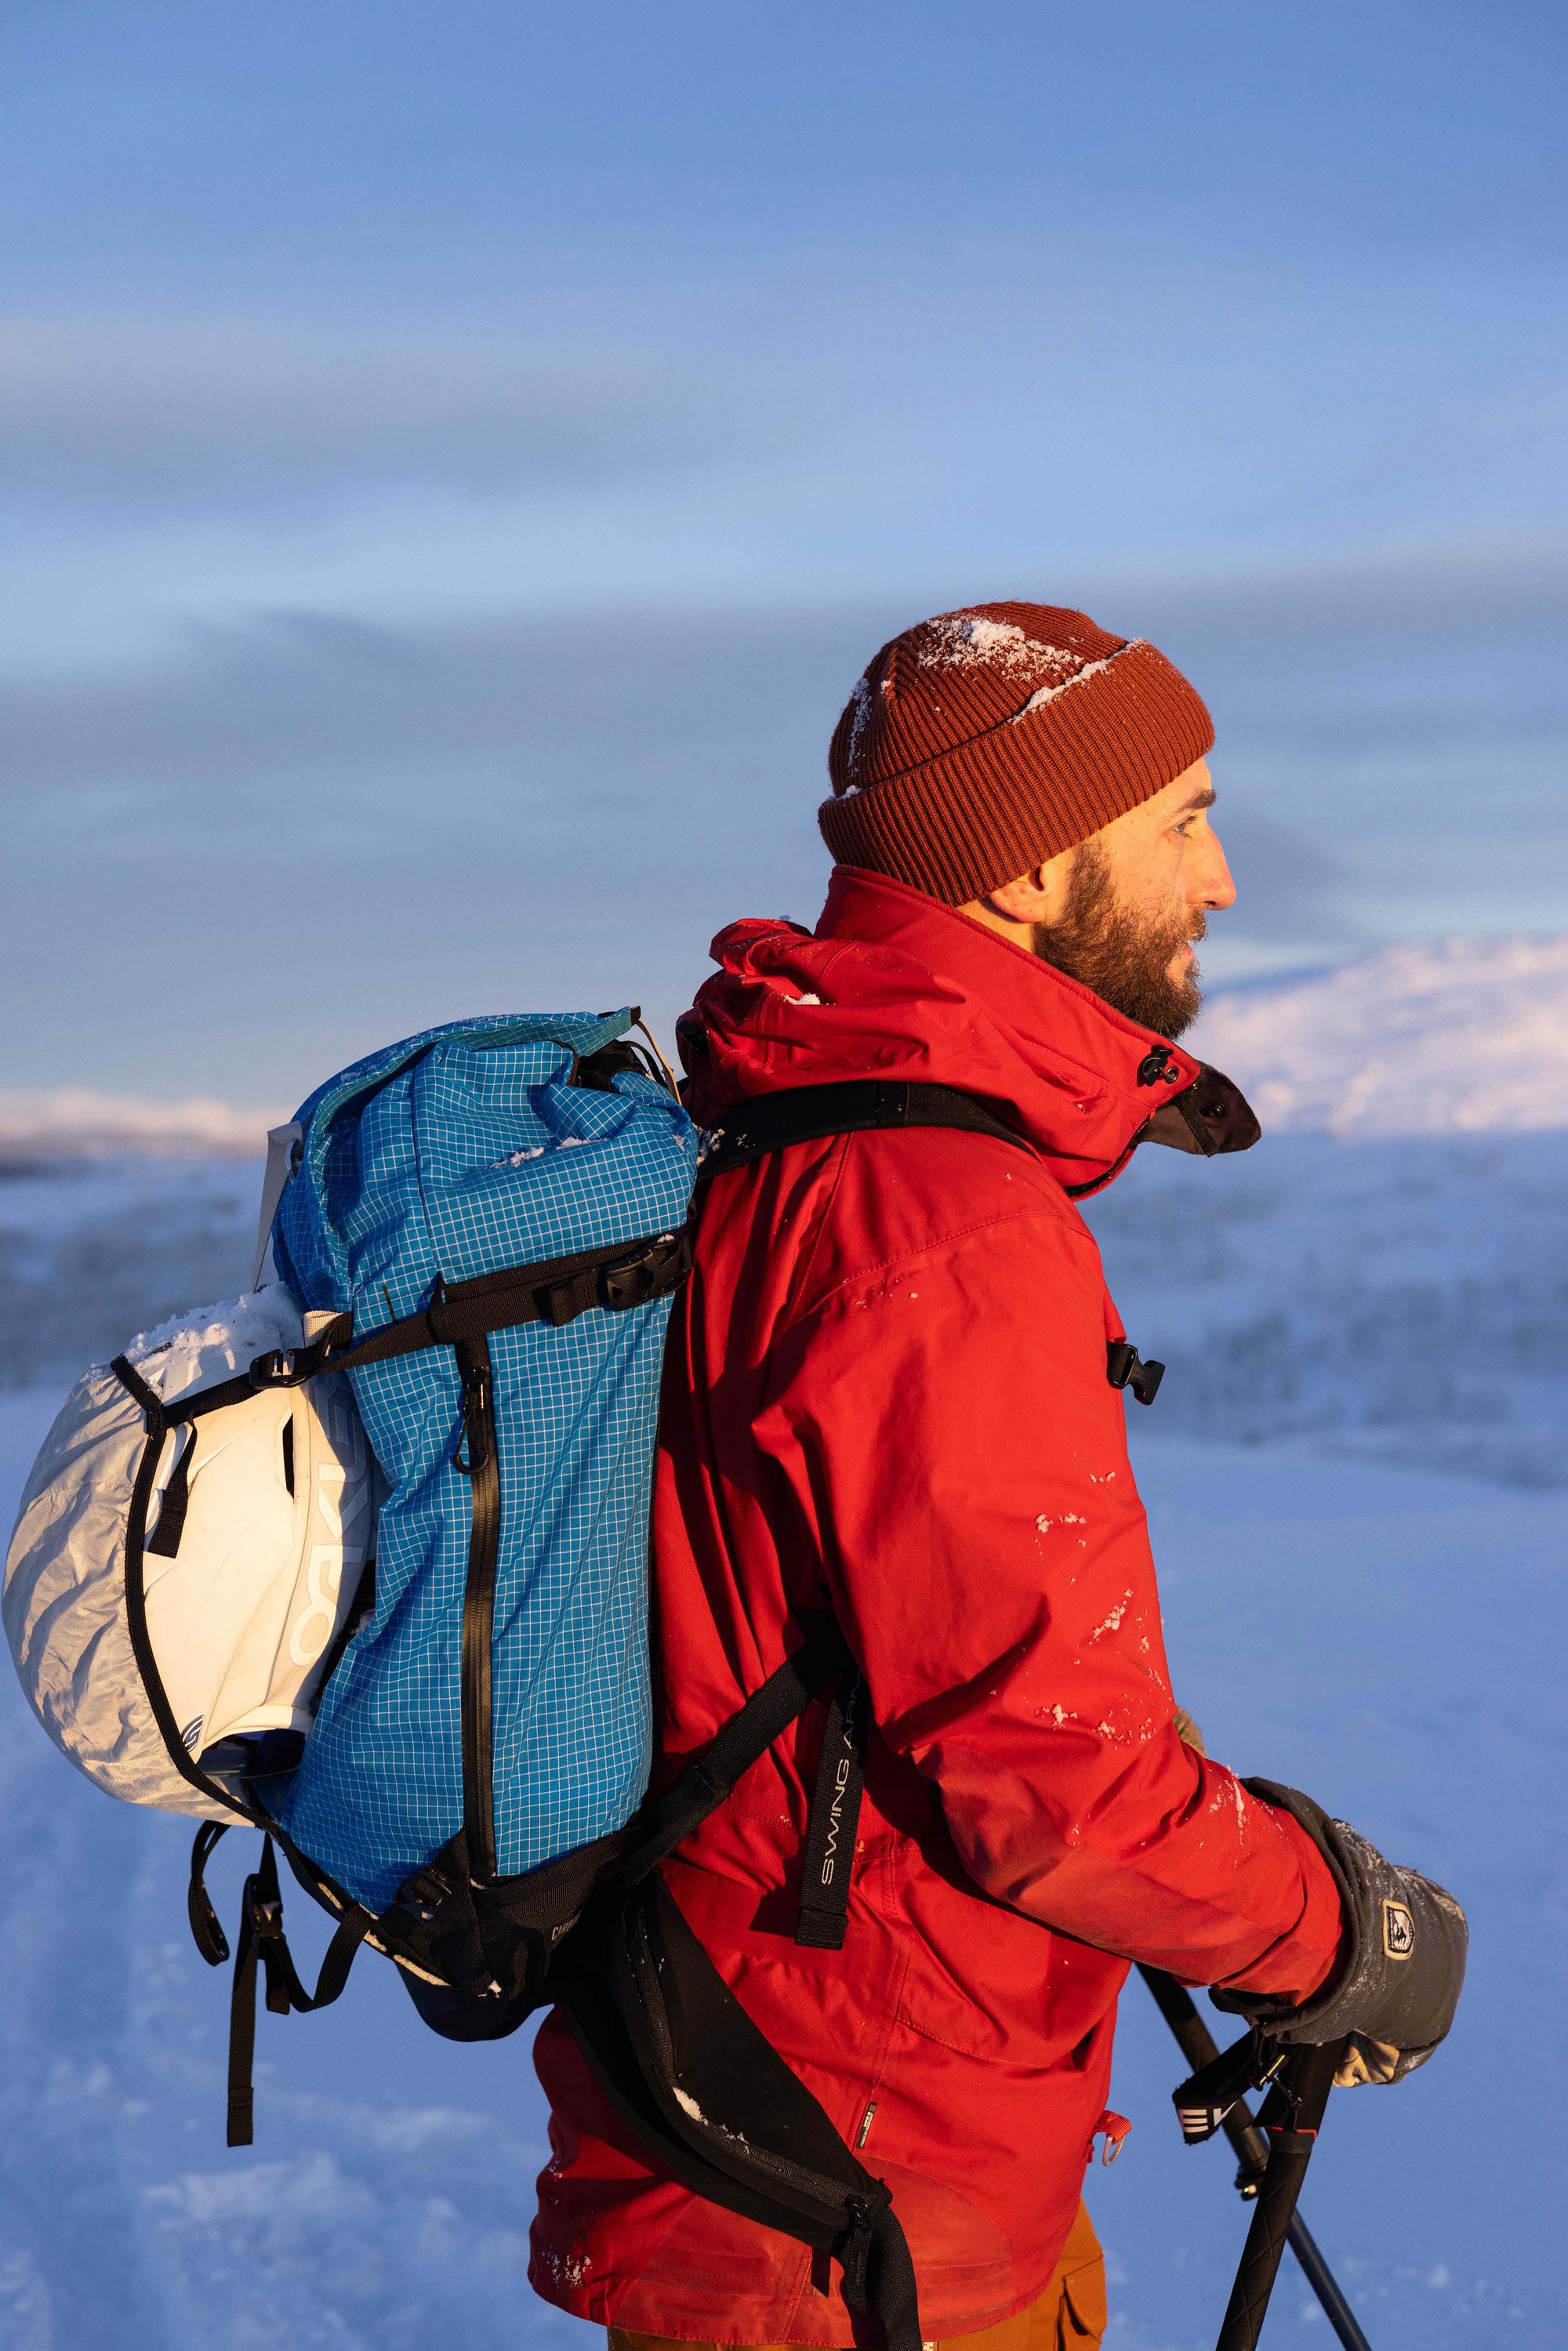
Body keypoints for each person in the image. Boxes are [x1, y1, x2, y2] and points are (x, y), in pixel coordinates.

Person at [529, 603, 1466, 2349]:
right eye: (1183, 817)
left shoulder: (795, 1129)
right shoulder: (941, 1219)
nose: (1223, 879)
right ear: (1030, 872)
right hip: (858, 2177)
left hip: (782, 2111)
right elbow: (1047, 1785)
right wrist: (1338, 1928)